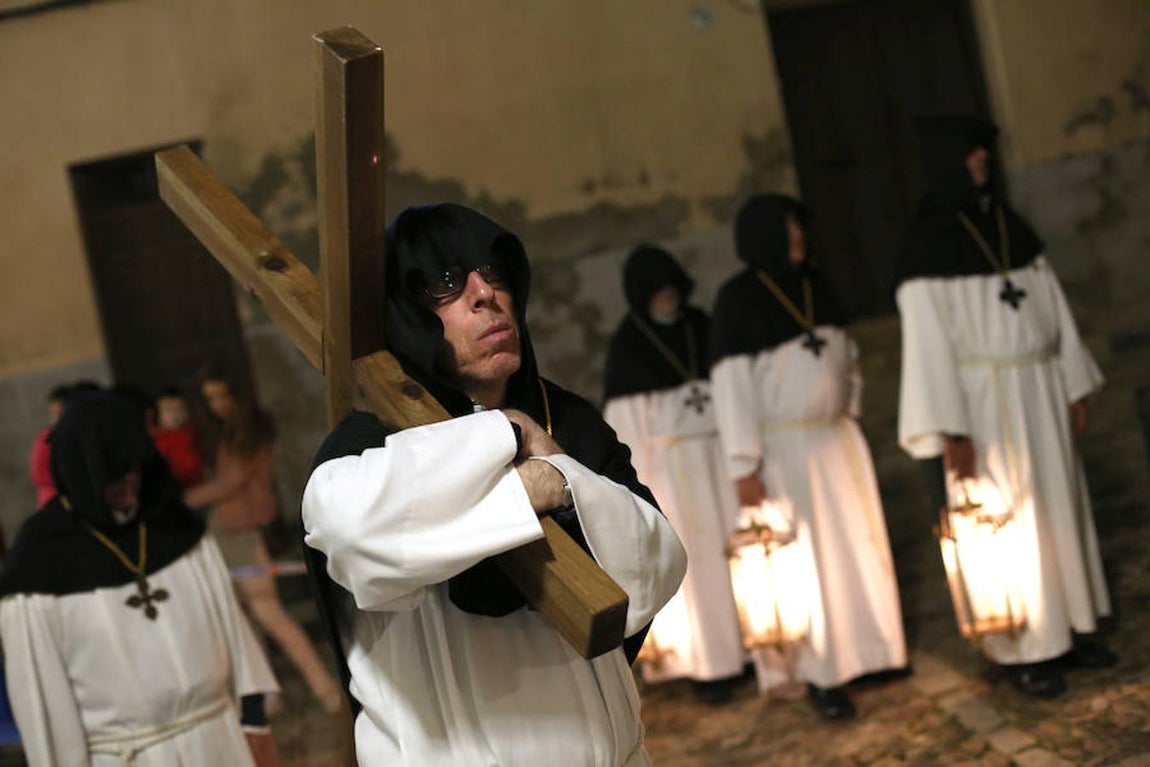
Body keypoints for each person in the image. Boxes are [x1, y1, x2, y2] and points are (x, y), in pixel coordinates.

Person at [301, 203, 687, 766]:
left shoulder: (567, 420)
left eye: (494, 272)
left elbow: (657, 563)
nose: (486, 293)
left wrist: (559, 479)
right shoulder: (368, 444)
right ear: (406, 309)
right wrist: (506, 443)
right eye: (446, 282)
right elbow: (351, 533)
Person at [896, 115, 1115, 698]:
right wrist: (950, 428)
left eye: (982, 154)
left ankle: (1069, 627)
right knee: (1006, 522)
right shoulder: (924, 248)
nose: (981, 163)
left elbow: (1053, 306)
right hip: (983, 405)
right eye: (970, 154)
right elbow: (927, 346)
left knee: (1059, 510)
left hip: (1040, 387)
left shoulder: (1007, 224)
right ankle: (1023, 648)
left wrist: (1071, 381)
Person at [0, 391, 280, 766]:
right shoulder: (39, 564)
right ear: (81, 472)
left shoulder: (175, 532)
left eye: (133, 471)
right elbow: (44, 705)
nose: (129, 486)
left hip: (218, 740)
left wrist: (255, 726)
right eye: (113, 477)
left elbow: (236, 640)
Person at [709, 193, 907, 720]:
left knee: (860, 551)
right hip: (784, 449)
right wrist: (744, 464)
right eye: (789, 226)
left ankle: (874, 652)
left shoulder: (816, 285)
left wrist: (848, 410)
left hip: (836, 440)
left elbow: (849, 358)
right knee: (809, 565)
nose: (799, 235)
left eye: (800, 224)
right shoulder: (737, 300)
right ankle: (822, 674)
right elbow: (732, 390)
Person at [602, 244, 745, 704]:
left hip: (720, 459)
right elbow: (627, 429)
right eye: (657, 291)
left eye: (671, 288)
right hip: (675, 475)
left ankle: (757, 646)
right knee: (698, 567)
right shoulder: (629, 346)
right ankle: (712, 665)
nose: (667, 298)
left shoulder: (702, 327)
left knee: (739, 556)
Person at [185, 370, 341, 714]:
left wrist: (184, 499)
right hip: (228, 528)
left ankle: (325, 689)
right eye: (210, 398)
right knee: (246, 618)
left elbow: (234, 481)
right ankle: (267, 695)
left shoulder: (249, 430)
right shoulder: (231, 432)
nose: (217, 405)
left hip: (241, 529)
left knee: (266, 611)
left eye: (222, 395)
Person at [28, 381, 101, 510]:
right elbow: (38, 475)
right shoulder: (46, 439)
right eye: (53, 414)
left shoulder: (78, 434)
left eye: (60, 413)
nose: (57, 419)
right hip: (55, 499)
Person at [151, 386, 205, 488]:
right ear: (158, 414)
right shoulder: (158, 439)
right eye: (169, 410)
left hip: (201, 482)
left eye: (181, 408)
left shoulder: (195, 430)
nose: (176, 414)